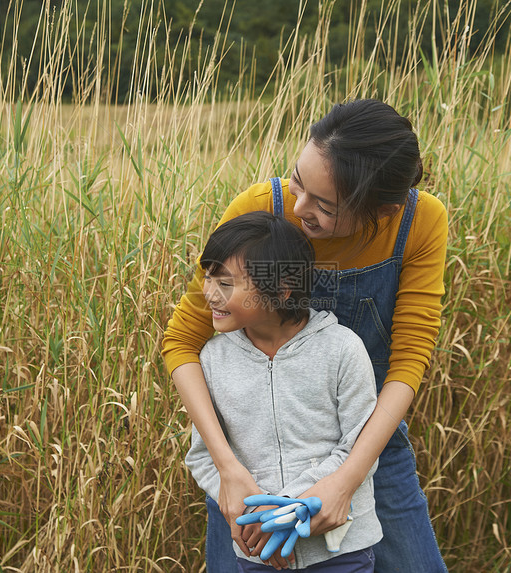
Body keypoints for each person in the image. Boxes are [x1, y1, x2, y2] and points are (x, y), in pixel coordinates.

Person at [163, 99, 448, 572]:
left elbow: (409, 360)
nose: (298, 208)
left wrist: (347, 481)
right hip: (248, 460)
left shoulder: (418, 222)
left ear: (384, 210)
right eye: (298, 181)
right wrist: (229, 470)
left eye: (325, 206)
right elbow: (181, 342)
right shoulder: (260, 210)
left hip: (367, 441)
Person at [185, 210, 382, 570]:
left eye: (225, 283)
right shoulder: (212, 360)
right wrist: (253, 516)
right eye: (207, 277)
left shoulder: (341, 349)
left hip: (340, 550)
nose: (208, 294)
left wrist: (284, 510)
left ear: (281, 289)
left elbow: (358, 448)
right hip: (257, 553)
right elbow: (202, 455)